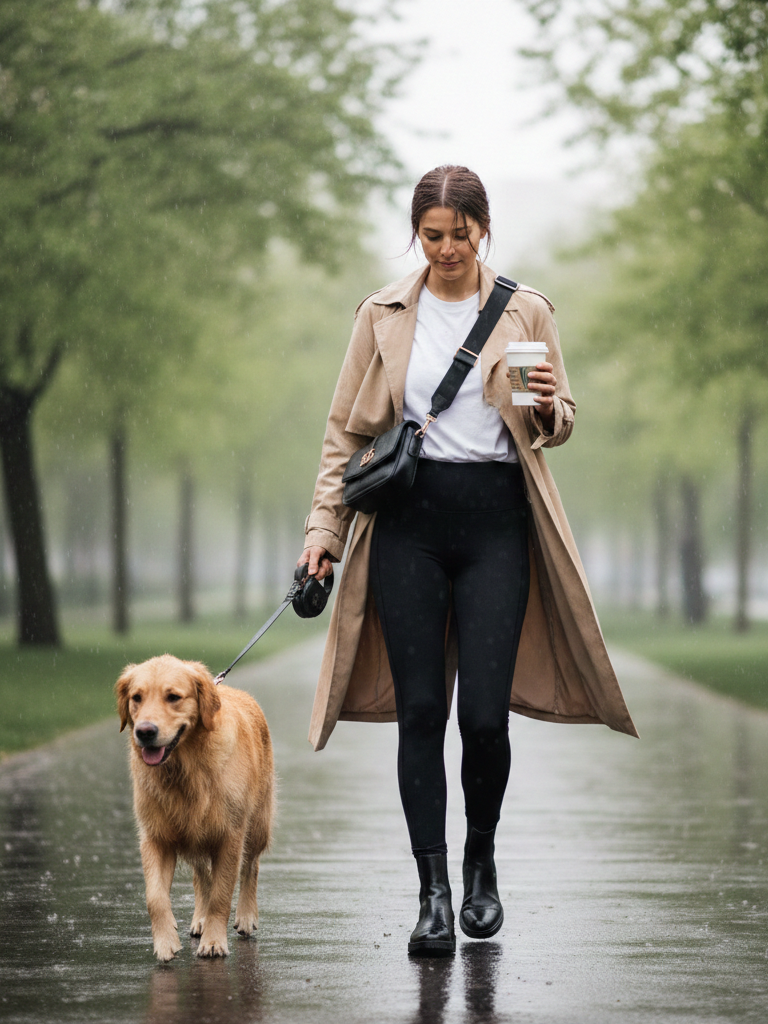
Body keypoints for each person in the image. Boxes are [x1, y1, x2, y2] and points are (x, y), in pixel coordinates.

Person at [298, 165, 637, 957]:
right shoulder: (382, 314)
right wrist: (322, 533)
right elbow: (344, 436)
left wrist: (551, 405)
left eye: (461, 233)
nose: (447, 249)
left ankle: (480, 858)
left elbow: (560, 420)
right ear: (417, 234)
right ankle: (434, 893)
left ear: (485, 227)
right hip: (407, 530)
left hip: (497, 527)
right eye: (432, 235)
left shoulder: (526, 310)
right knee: (422, 715)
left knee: (483, 720)